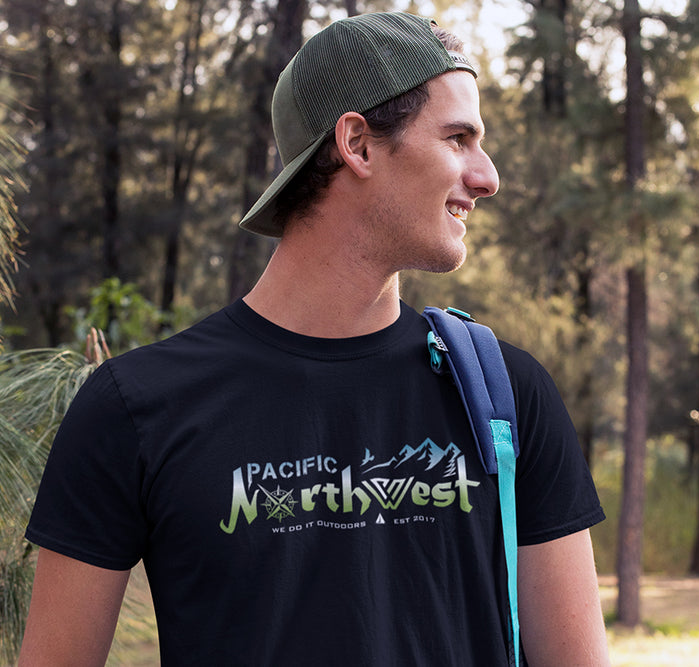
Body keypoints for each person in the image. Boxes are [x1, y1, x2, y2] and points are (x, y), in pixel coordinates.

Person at [18, 12, 609, 666]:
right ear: (356, 144)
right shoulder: (134, 409)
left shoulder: (504, 396)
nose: (488, 175)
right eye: (458, 138)